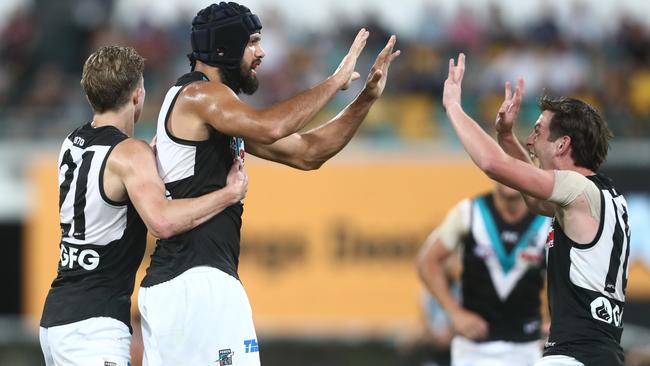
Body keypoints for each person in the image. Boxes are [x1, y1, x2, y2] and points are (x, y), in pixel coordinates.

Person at [136, 2, 400, 365]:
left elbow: (309, 153)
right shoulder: (200, 96)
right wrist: (334, 82)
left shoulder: (219, 115)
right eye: (253, 42)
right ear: (224, 47)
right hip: (195, 281)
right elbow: (272, 126)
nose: (262, 53)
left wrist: (365, 99)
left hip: (187, 284)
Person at [39, 45, 248, 366]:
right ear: (138, 95)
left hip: (56, 316)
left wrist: (146, 160)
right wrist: (228, 193)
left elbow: (107, 187)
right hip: (95, 325)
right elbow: (162, 222)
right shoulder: (130, 154)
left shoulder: (72, 142)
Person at [442, 53, 631, 366]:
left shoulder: (575, 188)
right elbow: (533, 195)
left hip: (572, 356)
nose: (529, 142)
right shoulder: (603, 195)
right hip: (603, 355)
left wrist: (453, 108)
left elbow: (493, 165)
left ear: (562, 145)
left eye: (538, 131)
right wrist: (504, 136)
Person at [417, 181, 551, 366]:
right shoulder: (469, 212)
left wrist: (559, 321)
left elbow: (570, 272)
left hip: (527, 347)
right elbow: (427, 261)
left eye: (518, 159)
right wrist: (454, 312)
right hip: (473, 349)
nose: (509, 168)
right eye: (505, 159)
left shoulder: (548, 218)